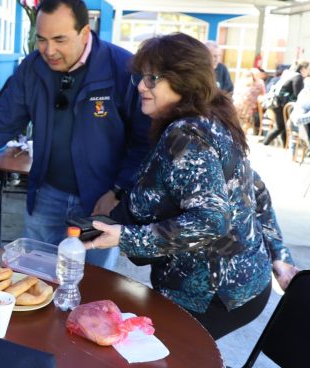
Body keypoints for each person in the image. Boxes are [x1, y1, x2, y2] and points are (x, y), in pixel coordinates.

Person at [84, 33, 298, 340]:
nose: (142, 86)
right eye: (141, 77)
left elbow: (211, 220)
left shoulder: (187, 135)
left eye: (152, 79)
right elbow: (257, 189)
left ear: (183, 81)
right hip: (243, 285)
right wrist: (280, 255)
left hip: (211, 294)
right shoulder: (211, 118)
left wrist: (126, 237)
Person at [0, 0, 150, 270]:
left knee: (93, 280)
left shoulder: (120, 68)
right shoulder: (32, 69)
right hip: (46, 194)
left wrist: (118, 191)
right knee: (33, 273)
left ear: (84, 33)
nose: (48, 50)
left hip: (100, 200)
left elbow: (144, 140)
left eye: (59, 39)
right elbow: (1, 125)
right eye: (41, 39)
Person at [262, 60, 309, 147]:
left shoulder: (289, 74)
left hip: (276, 103)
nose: (308, 71)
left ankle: (284, 146)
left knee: (281, 126)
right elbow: (298, 94)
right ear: (303, 69)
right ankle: (265, 143)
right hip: (281, 104)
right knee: (280, 127)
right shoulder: (298, 77)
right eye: (308, 69)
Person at [232, 68, 265, 135]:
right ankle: (241, 134)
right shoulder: (259, 83)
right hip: (248, 107)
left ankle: (237, 134)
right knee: (246, 121)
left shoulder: (240, 82)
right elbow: (263, 94)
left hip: (237, 104)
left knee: (238, 121)